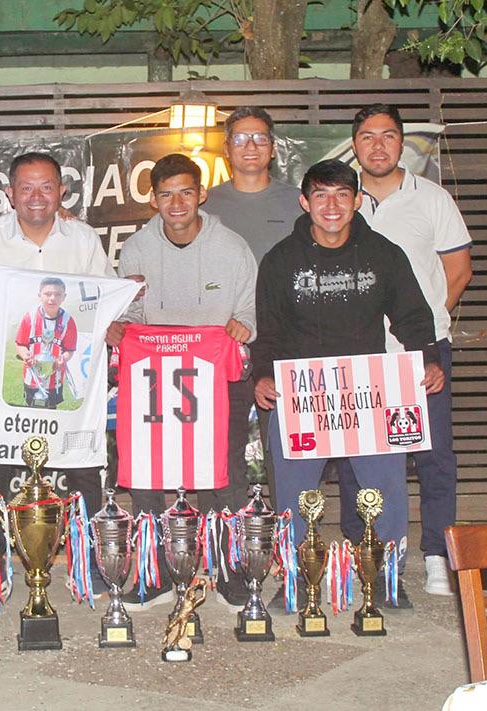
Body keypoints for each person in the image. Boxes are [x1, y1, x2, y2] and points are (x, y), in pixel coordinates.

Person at [252, 159, 445, 610]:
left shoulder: (384, 254)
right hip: (302, 394)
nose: (332, 205)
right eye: (321, 195)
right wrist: (261, 374)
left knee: (386, 489)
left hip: (368, 391)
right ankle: (296, 579)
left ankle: (386, 579)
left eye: (342, 195)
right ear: (305, 202)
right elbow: (269, 330)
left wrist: (429, 358)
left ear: (358, 200)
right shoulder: (280, 260)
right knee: (295, 495)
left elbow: (414, 317)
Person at [0, 151, 114, 594]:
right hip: (6, 379)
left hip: (68, 378)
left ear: (62, 191)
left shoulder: (82, 238)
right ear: (10, 194)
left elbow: (102, 295)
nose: (37, 196)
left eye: (46, 186)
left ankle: (89, 564)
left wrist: (122, 301)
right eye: (26, 188)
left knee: (82, 469)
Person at [107, 153, 258, 611]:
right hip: (153, 374)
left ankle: (230, 572)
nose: (177, 204)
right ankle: (153, 573)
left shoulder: (232, 248)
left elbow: (251, 309)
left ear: (202, 195)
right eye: (166, 194)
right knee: (146, 475)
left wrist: (244, 326)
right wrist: (119, 326)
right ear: (153, 200)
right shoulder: (136, 248)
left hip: (216, 375)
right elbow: (130, 310)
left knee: (225, 474)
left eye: (186, 193)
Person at [336, 104, 472, 598]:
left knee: (433, 454)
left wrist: (423, 324)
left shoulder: (432, 198)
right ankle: (365, 549)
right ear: (355, 145)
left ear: (401, 142)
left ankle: (436, 554)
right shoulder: (339, 199)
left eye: (388, 135)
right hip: (358, 352)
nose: (378, 145)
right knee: (358, 458)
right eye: (368, 136)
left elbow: (459, 270)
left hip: (421, 351)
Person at [206, 106, 304, 515]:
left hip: (284, 343)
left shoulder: (298, 201)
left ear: (273, 147)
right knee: (219, 447)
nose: (251, 146)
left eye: (260, 138)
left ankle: (291, 531)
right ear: (227, 148)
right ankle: (221, 533)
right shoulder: (205, 203)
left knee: (288, 448)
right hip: (222, 343)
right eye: (241, 138)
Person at [15, 277, 78, 408]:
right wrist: (26, 356)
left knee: (50, 412)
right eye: (47, 294)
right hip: (32, 377)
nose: (52, 298)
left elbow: (69, 350)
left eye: (57, 294)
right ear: (40, 295)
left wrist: (62, 359)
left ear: (64, 297)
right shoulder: (29, 317)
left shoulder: (68, 321)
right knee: (30, 411)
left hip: (54, 379)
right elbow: (20, 345)